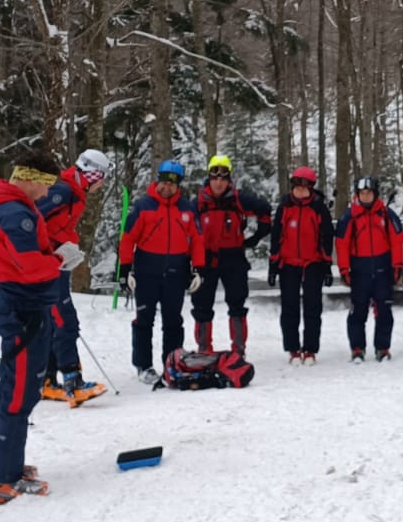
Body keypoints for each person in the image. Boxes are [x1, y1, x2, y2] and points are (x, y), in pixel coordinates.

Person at [0, 147, 65, 504]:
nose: (45, 194)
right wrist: (57, 260)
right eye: (43, 186)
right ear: (28, 179)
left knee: (9, 385)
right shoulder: (13, 212)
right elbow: (29, 264)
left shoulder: (11, 207)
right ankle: (1, 478)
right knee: (20, 392)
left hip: (19, 305)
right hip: (23, 308)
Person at [37, 148, 113, 406]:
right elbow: (32, 220)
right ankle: (73, 382)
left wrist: (66, 248)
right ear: (92, 174)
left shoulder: (74, 192)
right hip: (48, 267)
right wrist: (51, 250)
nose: (102, 184)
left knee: (50, 320)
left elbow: (55, 227)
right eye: (101, 177)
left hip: (56, 264)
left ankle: (46, 381)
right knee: (65, 320)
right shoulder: (63, 192)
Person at [119, 159, 203, 386]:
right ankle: (143, 365)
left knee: (173, 320)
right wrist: (125, 269)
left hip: (176, 270)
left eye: (173, 184)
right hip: (147, 269)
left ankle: (172, 362)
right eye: (164, 182)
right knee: (144, 319)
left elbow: (197, 239)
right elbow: (128, 238)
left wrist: (198, 269)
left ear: (179, 186)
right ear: (158, 181)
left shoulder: (186, 208)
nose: (167, 187)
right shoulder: (144, 206)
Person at [191, 154, 273, 357]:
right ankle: (204, 349)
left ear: (229, 179)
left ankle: (238, 350)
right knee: (202, 306)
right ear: (209, 178)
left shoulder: (238, 199)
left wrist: (255, 237)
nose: (219, 182)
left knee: (237, 304)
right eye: (215, 177)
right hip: (206, 260)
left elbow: (265, 210)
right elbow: (183, 229)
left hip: (233, 258)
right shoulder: (198, 202)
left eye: (223, 178)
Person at [269, 166, 334, 365]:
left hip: (312, 264)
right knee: (289, 308)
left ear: (311, 188)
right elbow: (276, 237)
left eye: (304, 187)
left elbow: (326, 237)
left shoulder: (318, 208)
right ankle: (293, 349)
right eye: (296, 187)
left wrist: (327, 265)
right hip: (288, 265)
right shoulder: (285, 207)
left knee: (312, 308)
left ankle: (310, 349)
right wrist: (273, 265)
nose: (299, 191)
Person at [336, 175, 403, 363]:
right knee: (358, 310)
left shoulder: (386, 214)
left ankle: (382, 348)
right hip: (359, 269)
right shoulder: (349, 215)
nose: (365, 197)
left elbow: (397, 241)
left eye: (369, 193)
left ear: (375, 194)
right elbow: (341, 244)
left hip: (383, 268)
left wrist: (397, 265)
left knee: (384, 310)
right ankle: (357, 348)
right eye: (362, 193)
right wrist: (344, 269)